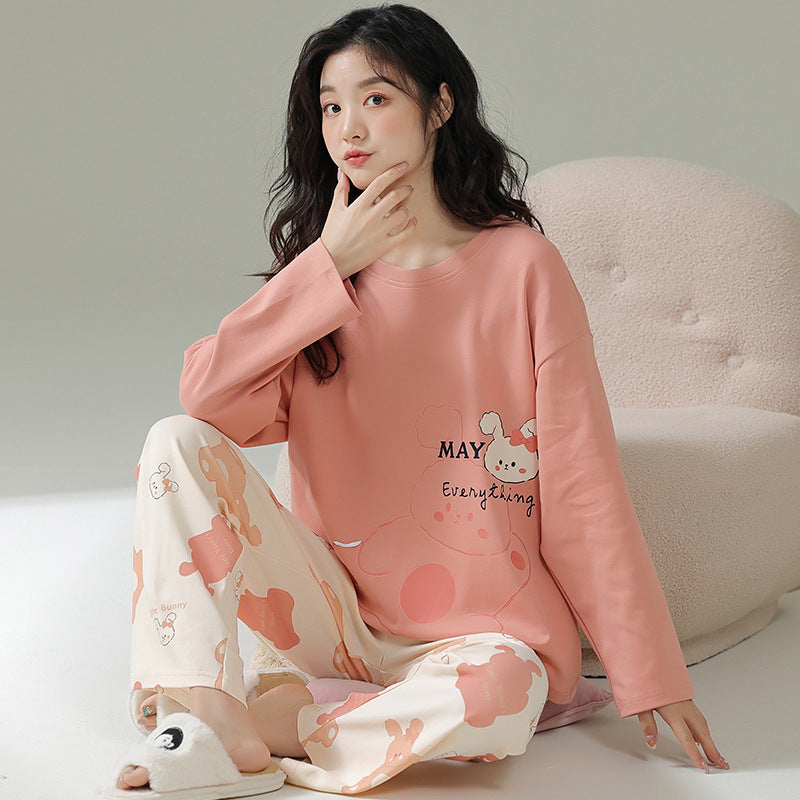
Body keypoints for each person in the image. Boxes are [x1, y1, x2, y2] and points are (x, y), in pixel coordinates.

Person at [110, 3, 730, 795]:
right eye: (330, 106)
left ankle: (265, 727)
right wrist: (326, 265)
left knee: (502, 696)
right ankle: (209, 706)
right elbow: (206, 397)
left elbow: (583, 484)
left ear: (440, 106)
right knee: (173, 439)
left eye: (376, 98)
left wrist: (650, 673)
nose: (348, 128)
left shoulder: (522, 267)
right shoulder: (322, 283)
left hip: (480, 641)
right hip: (332, 619)